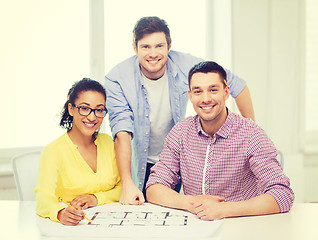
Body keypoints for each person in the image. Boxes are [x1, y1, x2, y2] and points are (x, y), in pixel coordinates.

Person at [105, 16, 255, 205]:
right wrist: (127, 182)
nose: (153, 53)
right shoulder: (117, 78)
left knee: (174, 215)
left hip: (174, 160)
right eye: (145, 47)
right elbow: (122, 132)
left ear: (169, 46)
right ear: (135, 48)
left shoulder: (186, 64)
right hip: (134, 164)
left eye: (159, 46)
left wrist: (250, 133)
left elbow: (238, 86)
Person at [146, 61, 294, 220]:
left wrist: (224, 209)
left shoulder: (251, 135)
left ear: (226, 92)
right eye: (198, 91)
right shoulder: (181, 132)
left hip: (242, 225)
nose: (205, 98)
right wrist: (193, 203)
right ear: (190, 95)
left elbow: (282, 194)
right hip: (196, 226)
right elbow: (154, 187)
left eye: (213, 90)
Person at [35, 78, 121, 225]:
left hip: (110, 223)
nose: (92, 117)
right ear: (71, 109)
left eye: (99, 110)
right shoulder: (52, 152)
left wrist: (96, 198)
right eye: (85, 108)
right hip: (73, 227)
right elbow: (43, 198)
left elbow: (123, 187)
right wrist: (60, 213)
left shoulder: (108, 142)